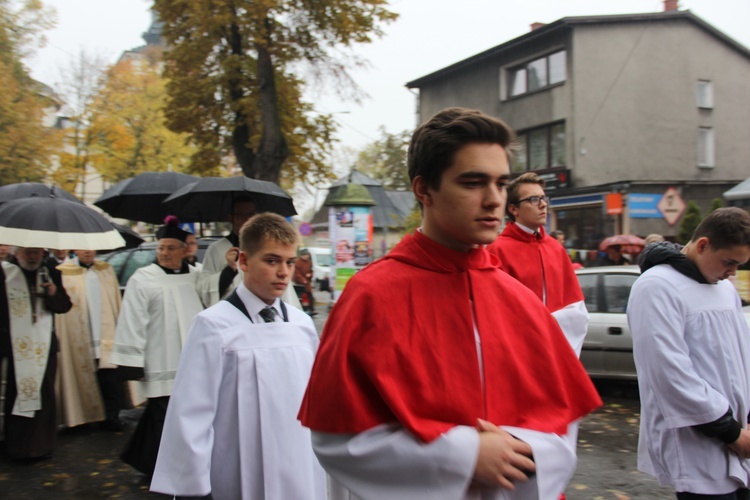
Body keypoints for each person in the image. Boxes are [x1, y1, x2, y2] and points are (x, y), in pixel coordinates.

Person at [299, 107, 601, 499]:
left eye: (501, 183)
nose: (494, 200)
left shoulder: (519, 301)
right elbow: (338, 438)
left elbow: (562, 425)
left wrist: (525, 454)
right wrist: (463, 455)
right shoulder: (370, 296)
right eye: (473, 182)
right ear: (424, 190)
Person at [151, 213, 326, 499]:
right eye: (271, 261)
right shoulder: (214, 325)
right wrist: (192, 488)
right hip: (239, 467)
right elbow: (191, 414)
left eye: (289, 262)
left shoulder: (301, 325)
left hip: (299, 464)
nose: (283, 272)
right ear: (243, 261)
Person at [628, 207, 750, 499]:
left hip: (741, 436)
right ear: (703, 244)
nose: (733, 272)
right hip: (698, 441)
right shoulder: (657, 286)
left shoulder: (724, 288)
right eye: (729, 262)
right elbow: (669, 373)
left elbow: (743, 354)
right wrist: (729, 432)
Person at [109, 216, 204, 476]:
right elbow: (131, 320)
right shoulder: (144, 278)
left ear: (185, 250)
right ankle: (163, 469)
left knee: (169, 413)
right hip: (160, 357)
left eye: (170, 248)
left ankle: (144, 459)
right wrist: (131, 362)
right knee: (164, 412)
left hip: (192, 358)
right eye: (160, 247)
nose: (163, 253)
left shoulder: (198, 276)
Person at [488, 173, 588, 356]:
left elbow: (575, 304)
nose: (543, 204)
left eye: (543, 198)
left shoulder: (555, 248)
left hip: (558, 346)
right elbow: (496, 311)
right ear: (514, 209)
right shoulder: (497, 251)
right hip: (519, 350)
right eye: (533, 199)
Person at [0, 246, 72, 459]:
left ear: (42, 254)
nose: (32, 257)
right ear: (17, 253)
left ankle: (40, 446)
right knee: (16, 394)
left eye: (36, 253)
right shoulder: (5, 272)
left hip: (43, 346)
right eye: (27, 252)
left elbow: (65, 306)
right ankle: (15, 446)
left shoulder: (51, 272)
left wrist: (53, 293)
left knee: (44, 394)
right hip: (13, 346)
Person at [55, 249, 125, 431]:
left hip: (106, 332)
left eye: (90, 248)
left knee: (109, 378)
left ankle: (110, 416)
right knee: (81, 376)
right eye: (82, 248)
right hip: (80, 333)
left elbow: (115, 300)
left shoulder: (105, 269)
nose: (87, 252)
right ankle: (82, 418)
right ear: (75, 249)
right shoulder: (63, 271)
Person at [198, 196, 257, 307]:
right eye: (241, 215)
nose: (247, 219)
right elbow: (204, 289)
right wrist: (229, 270)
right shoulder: (216, 249)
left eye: (250, 214)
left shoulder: (263, 246)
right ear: (231, 218)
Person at [293, 248, 316, 315]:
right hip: (299, 283)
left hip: (307, 283)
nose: (307, 256)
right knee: (300, 296)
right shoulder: (298, 262)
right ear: (302, 255)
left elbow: (311, 271)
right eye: (305, 255)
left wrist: (310, 275)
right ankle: (300, 308)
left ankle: (311, 309)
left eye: (307, 255)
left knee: (310, 295)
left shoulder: (309, 262)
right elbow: (297, 273)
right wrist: (303, 280)